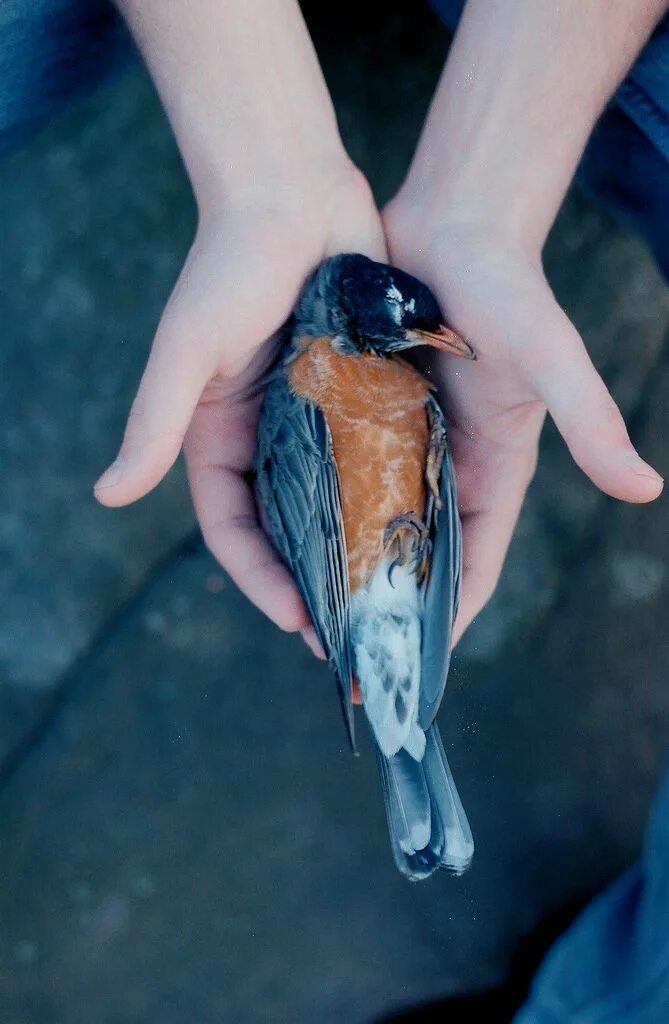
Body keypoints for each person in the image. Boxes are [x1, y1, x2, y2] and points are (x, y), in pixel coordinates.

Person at [2, 1, 668, 1021]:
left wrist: (484, 198)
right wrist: (262, 170)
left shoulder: (366, 371)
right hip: (374, 582)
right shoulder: (318, 372)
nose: (431, 340)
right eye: (414, 325)